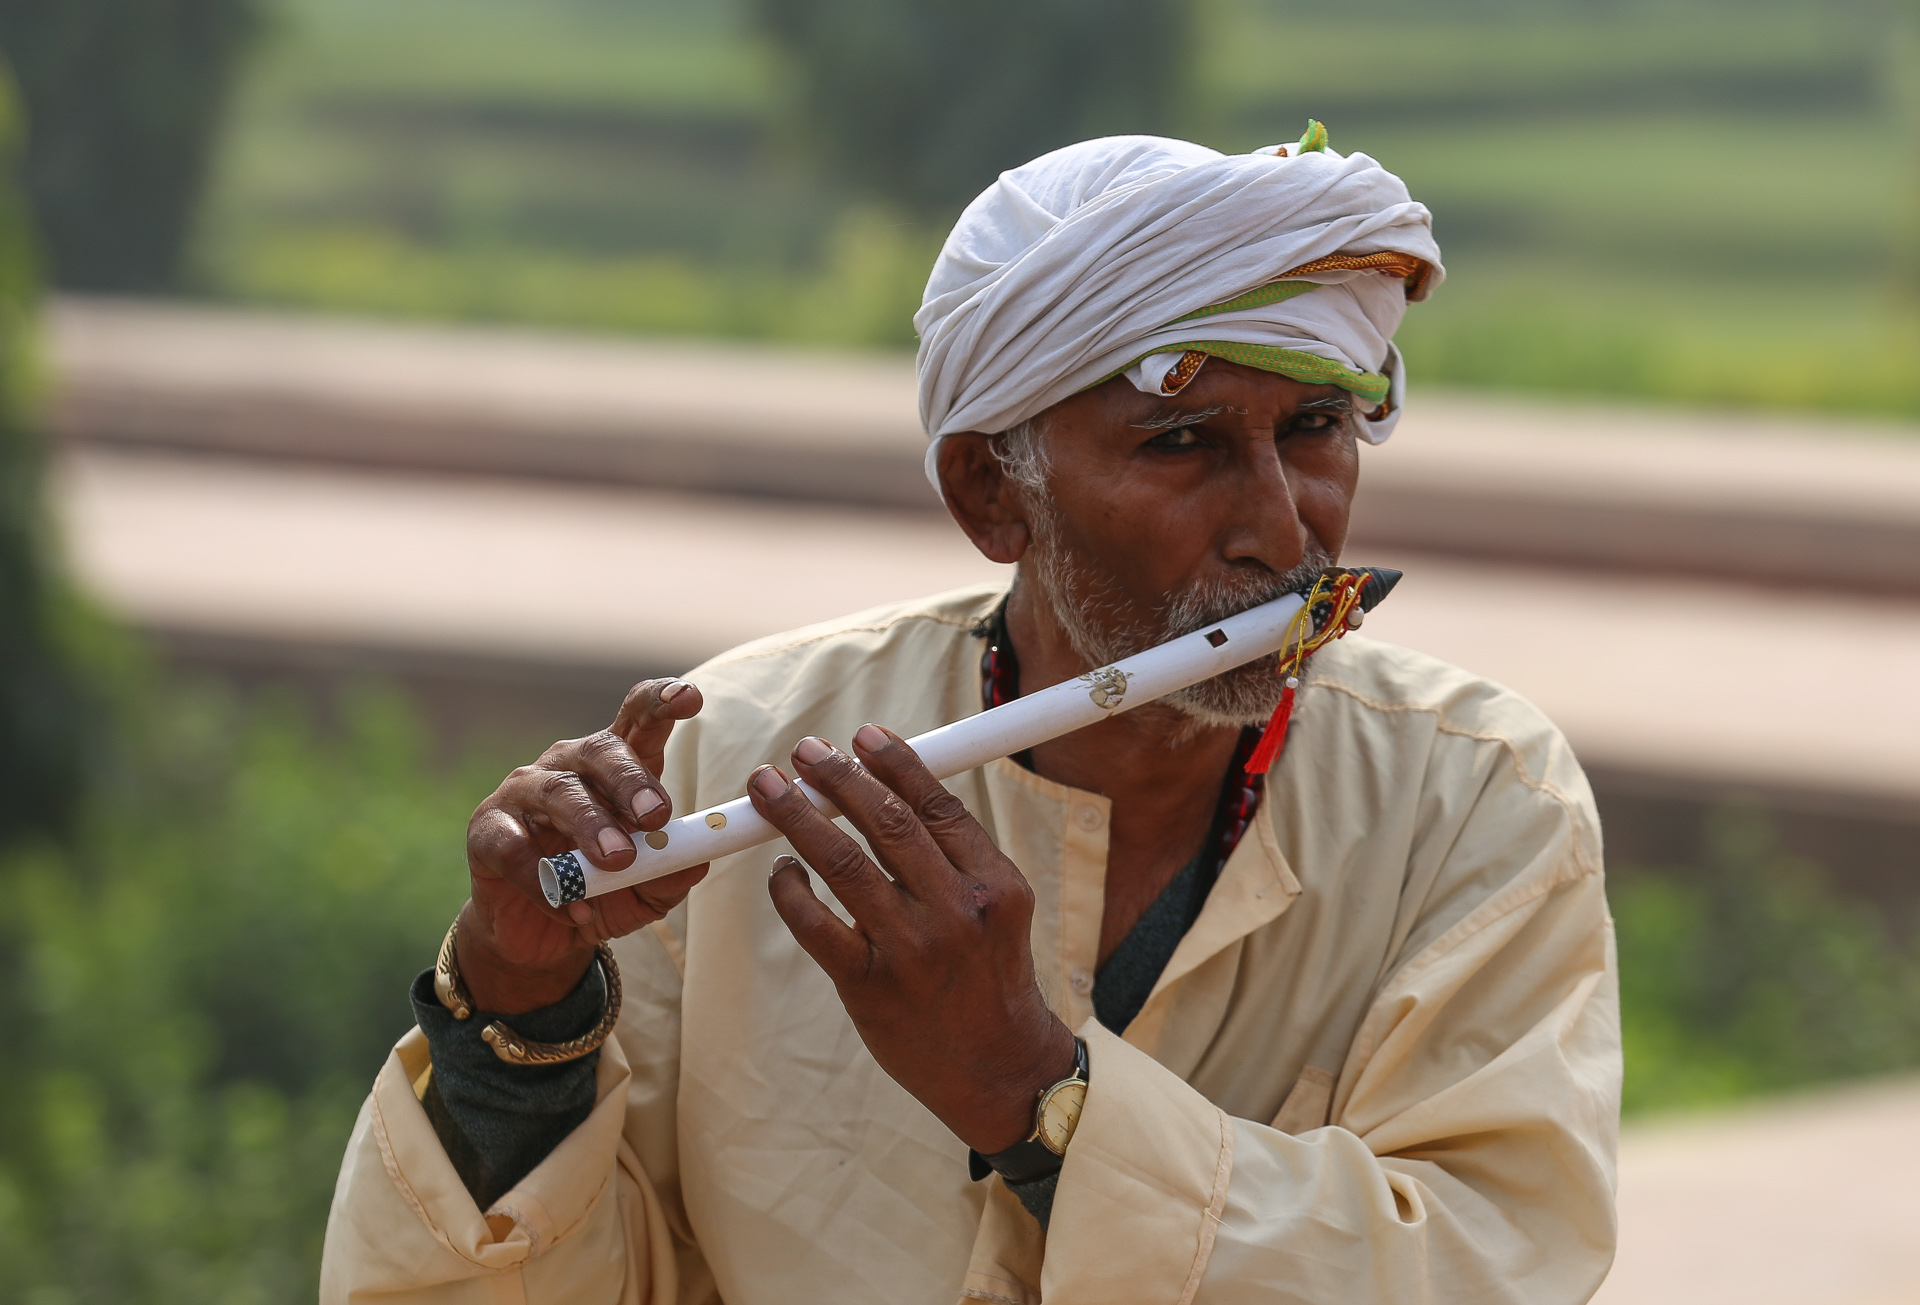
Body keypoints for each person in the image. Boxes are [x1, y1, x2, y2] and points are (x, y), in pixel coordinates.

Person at [322, 127, 1619, 1304]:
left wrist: (1037, 1094)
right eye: (1184, 444)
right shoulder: (744, 760)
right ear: (993, 493)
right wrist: (521, 1027)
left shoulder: (1481, 801)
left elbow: (1488, 1263)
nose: (1282, 531)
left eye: (1320, 427)